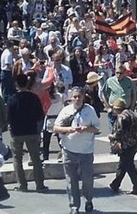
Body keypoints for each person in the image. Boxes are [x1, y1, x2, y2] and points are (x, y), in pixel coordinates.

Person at [53, 86, 101, 214]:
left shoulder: (90, 110)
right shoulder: (65, 111)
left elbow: (97, 129)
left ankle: (89, 200)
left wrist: (86, 129)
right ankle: (74, 206)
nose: (77, 99)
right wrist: (69, 129)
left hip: (86, 150)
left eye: (79, 96)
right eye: (74, 97)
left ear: (83, 97)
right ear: (70, 98)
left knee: (87, 179)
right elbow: (56, 128)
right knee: (71, 180)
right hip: (69, 150)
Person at [6, 74, 47, 192]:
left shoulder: (12, 99)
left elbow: (8, 116)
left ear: (16, 84)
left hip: (16, 132)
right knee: (35, 158)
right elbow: (40, 115)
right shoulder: (34, 98)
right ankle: (40, 184)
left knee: (17, 159)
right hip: (31, 130)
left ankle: (22, 184)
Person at [107, 99, 137, 195]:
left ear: (116, 109)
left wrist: (112, 137)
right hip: (136, 142)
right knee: (127, 165)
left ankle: (119, 185)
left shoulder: (121, 117)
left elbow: (119, 132)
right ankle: (116, 184)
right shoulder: (132, 114)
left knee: (125, 165)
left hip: (127, 145)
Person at [101, 66, 137, 131]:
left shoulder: (129, 81)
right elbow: (103, 93)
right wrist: (107, 107)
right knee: (113, 130)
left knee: (125, 130)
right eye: (117, 73)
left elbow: (134, 94)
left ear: (124, 73)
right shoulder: (110, 81)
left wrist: (132, 107)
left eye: (120, 73)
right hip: (114, 109)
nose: (118, 75)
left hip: (126, 109)